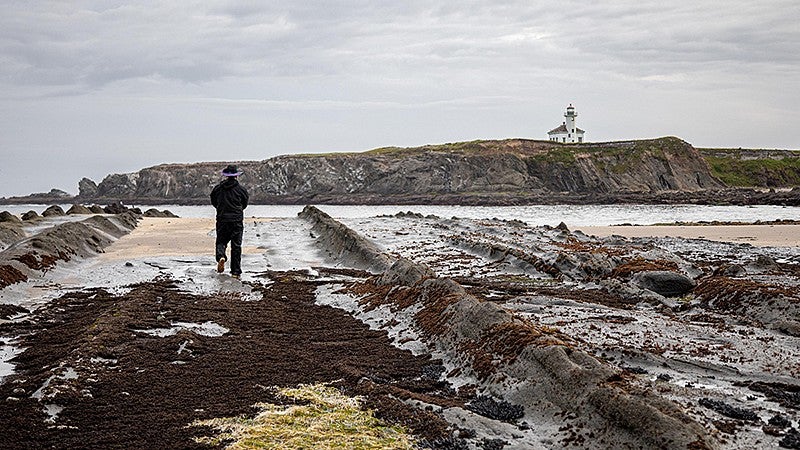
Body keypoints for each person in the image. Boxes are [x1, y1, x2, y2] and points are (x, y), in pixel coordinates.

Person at [210, 165, 249, 279]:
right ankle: (235, 272)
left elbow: (213, 201)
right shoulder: (241, 190)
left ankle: (221, 257)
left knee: (221, 242)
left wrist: (220, 208)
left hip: (222, 219)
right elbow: (244, 204)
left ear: (226, 176)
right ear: (236, 176)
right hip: (236, 220)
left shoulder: (218, 188)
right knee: (236, 246)